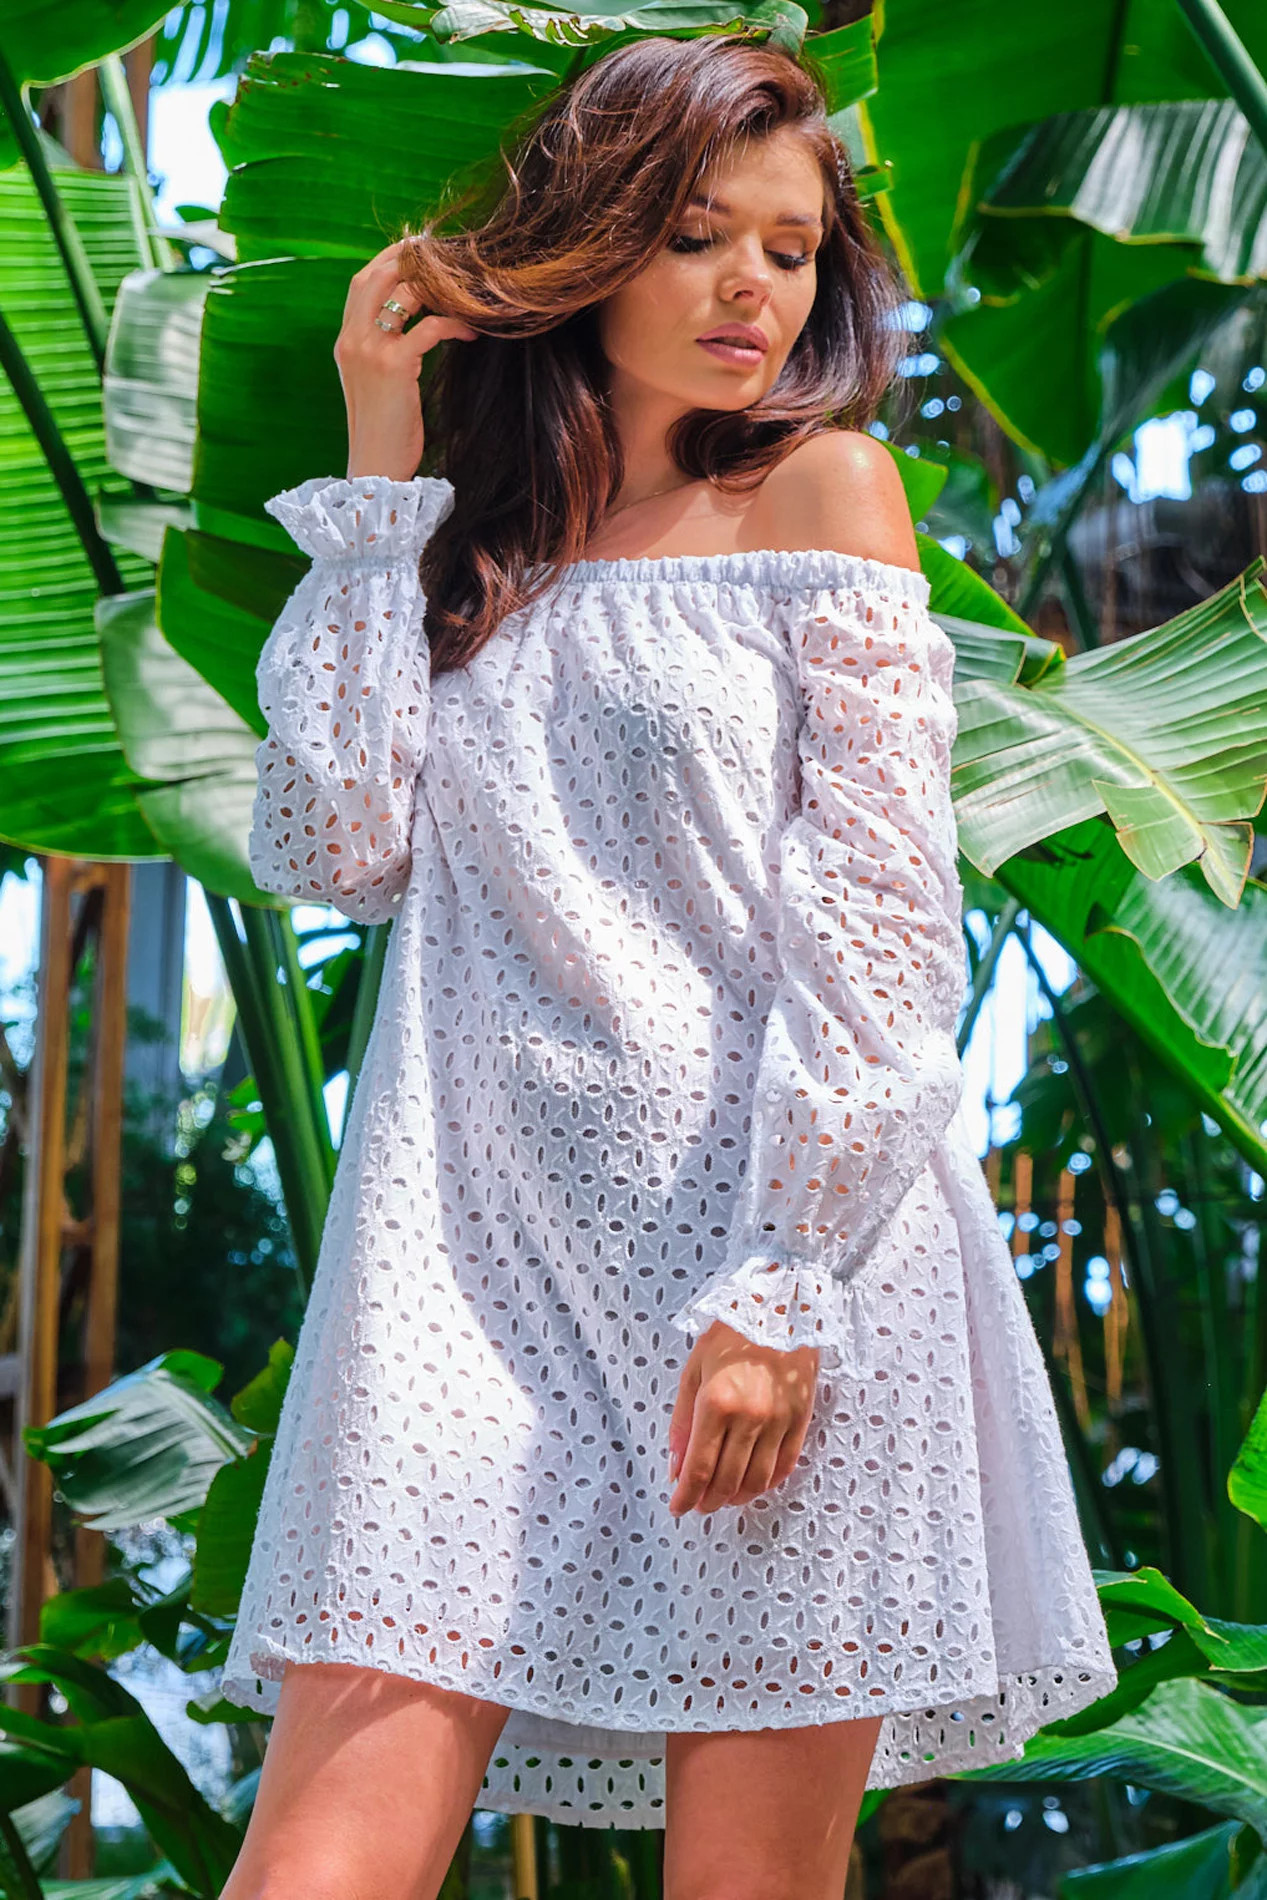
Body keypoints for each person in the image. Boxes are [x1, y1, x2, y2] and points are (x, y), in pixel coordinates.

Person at [219, 32, 1117, 1900]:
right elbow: (334, 851)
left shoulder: (826, 496)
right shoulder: (467, 551)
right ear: (595, 239)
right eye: (699, 234)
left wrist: (785, 1283)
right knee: (317, 1866)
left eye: (790, 250)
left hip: (772, 1269)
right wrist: (382, 462)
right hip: (467, 1274)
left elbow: (882, 928)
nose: (750, 290)